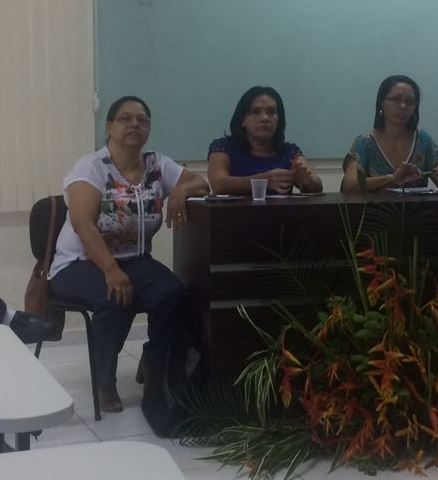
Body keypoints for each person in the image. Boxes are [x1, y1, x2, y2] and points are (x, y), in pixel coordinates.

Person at [48, 96, 210, 413]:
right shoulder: (92, 167)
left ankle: (154, 365)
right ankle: (104, 381)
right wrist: (110, 270)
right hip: (78, 263)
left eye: (142, 120)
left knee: (172, 293)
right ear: (109, 127)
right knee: (114, 298)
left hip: (134, 260)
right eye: (125, 118)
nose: (134, 124)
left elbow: (201, 184)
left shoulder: (157, 165)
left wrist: (180, 190)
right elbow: (83, 224)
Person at [341, 75, 438, 193]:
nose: (403, 106)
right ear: (381, 103)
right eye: (395, 100)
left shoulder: (423, 140)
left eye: (409, 101)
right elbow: (349, 185)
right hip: (374, 205)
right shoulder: (364, 143)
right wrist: (393, 178)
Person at [207, 86, 322, 195]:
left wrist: (306, 180)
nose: (265, 118)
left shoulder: (289, 151)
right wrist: (264, 180)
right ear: (242, 120)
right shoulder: (224, 147)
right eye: (256, 112)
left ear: (279, 120)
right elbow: (218, 184)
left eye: (271, 112)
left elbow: (317, 187)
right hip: (235, 210)